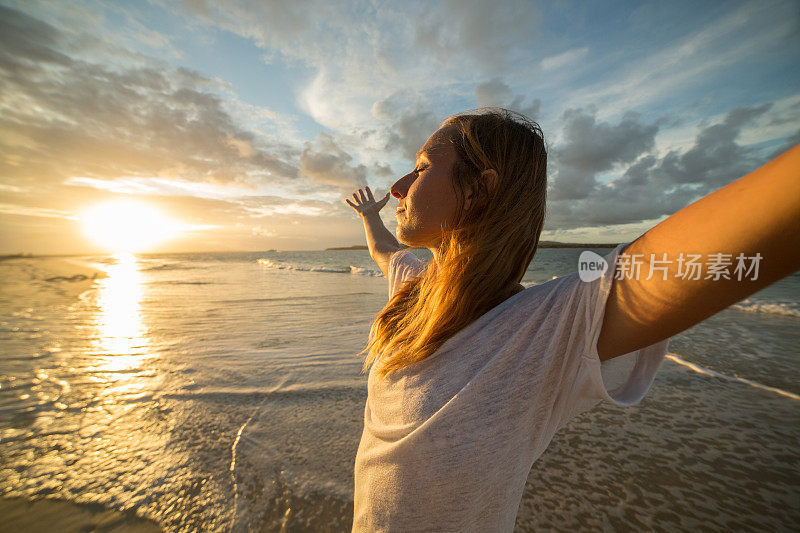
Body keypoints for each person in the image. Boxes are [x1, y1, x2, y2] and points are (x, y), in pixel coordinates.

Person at [344, 108, 800, 531]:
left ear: (480, 188)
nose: (399, 187)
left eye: (421, 167)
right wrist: (369, 217)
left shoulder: (547, 327)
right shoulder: (411, 290)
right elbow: (384, 251)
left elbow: (734, 243)